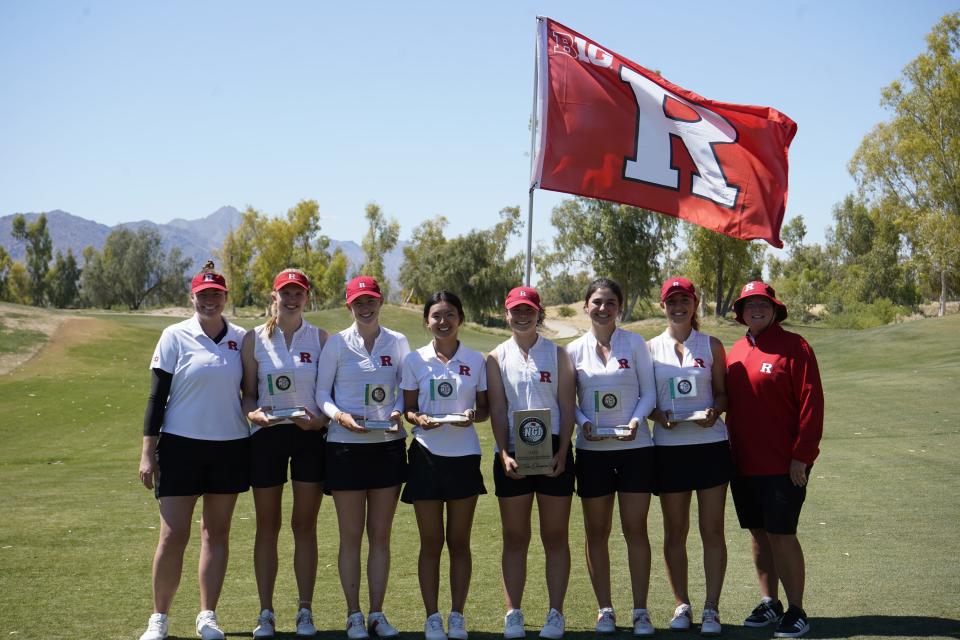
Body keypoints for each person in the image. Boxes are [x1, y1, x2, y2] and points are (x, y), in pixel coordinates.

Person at [137, 261, 250, 640]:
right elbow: (156, 397)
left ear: (225, 297)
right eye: (203, 295)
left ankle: (207, 616)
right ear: (193, 298)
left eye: (216, 295)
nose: (209, 301)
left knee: (216, 533)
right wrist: (147, 452)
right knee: (172, 536)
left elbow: (251, 391)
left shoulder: (242, 338)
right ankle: (159, 618)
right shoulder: (174, 335)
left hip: (230, 445)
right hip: (180, 446)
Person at [725, 281, 823, 639]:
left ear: (774, 308)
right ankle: (771, 602)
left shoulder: (795, 347)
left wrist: (802, 456)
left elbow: (812, 404)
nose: (756, 309)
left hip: (784, 465)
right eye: (749, 304)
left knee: (782, 535)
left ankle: (796, 610)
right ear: (741, 312)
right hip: (743, 463)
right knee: (758, 535)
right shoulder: (735, 350)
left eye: (762, 304)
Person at [316, 276, 410, 640]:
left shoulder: (397, 342)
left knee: (380, 536)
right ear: (349, 306)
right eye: (358, 302)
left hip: (387, 445)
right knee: (351, 536)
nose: (365, 307)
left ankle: (376, 613)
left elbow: (405, 389)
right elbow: (323, 393)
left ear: (380, 301)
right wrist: (339, 416)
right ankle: (353, 614)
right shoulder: (337, 344)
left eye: (370, 300)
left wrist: (399, 411)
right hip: (344, 446)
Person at [565, 278, 658, 636]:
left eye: (610, 302)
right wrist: (584, 422)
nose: (603, 308)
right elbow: (568, 402)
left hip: (635, 449)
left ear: (620, 307)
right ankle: (605, 609)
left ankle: (640, 611)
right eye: (597, 302)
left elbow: (648, 392)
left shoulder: (635, 344)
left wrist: (636, 421)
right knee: (597, 532)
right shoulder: (573, 350)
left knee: (635, 529)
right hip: (592, 452)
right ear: (585, 305)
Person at [241, 268, 330, 638]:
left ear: (307, 298)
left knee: (304, 526)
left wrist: (321, 422)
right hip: (267, 436)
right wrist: (252, 413)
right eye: (285, 293)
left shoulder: (322, 339)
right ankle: (266, 613)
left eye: (298, 293)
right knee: (268, 525)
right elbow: (248, 392)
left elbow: (329, 394)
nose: (291, 299)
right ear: (273, 297)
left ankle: (305, 612)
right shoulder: (253, 340)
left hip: (309, 435)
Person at [485, 286, 576, 640]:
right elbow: (497, 409)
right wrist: (504, 452)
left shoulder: (559, 355)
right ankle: (514, 614)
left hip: (553, 449)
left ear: (539, 313)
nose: (522, 316)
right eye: (515, 310)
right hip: (511, 452)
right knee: (515, 537)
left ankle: (556, 613)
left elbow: (567, 408)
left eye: (529, 310)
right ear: (506, 314)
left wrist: (563, 451)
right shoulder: (495, 357)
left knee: (555, 536)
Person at [400, 290, 490, 640]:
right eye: (436, 315)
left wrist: (473, 417)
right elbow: (408, 407)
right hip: (425, 455)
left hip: (464, 456)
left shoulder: (476, 360)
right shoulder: (414, 360)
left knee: (459, 541)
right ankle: (432, 617)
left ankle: (457, 616)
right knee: (431, 542)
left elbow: (483, 408)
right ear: (427, 321)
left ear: (460, 319)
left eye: (450, 314)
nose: (443, 321)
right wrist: (417, 418)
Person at [647, 277, 732, 637]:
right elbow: (647, 399)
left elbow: (724, 394)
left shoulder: (711, 345)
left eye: (684, 300)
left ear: (695, 304)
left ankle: (712, 607)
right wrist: (657, 415)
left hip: (710, 445)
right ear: (662, 306)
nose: (678, 306)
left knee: (712, 529)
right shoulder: (649, 348)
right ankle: (682, 603)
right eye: (671, 301)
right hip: (669, 448)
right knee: (675, 531)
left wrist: (715, 411)